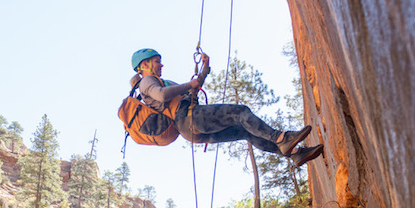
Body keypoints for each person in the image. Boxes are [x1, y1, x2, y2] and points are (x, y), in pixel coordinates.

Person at [130, 48, 324, 165]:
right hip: (189, 119)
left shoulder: (161, 81)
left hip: (190, 130)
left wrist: (204, 69)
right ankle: (282, 138)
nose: (161, 65)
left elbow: (192, 90)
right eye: (157, 61)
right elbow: (162, 95)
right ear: (145, 64)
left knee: (246, 132)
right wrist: (190, 85)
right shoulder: (147, 82)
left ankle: (295, 154)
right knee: (241, 112)